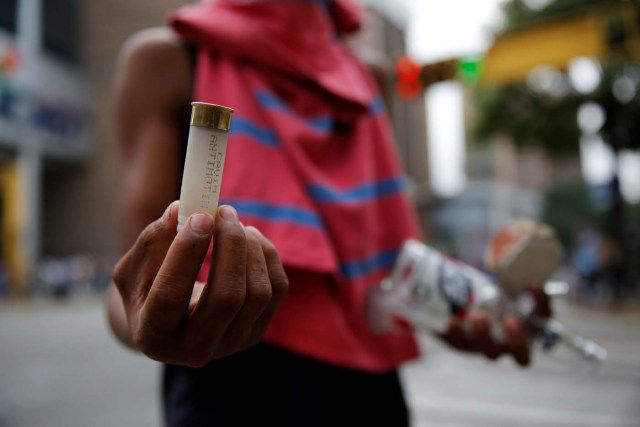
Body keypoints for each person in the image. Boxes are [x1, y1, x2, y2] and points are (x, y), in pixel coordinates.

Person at [106, 1, 550, 425]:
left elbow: (385, 267)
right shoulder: (169, 59)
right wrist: (153, 319)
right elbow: (129, 283)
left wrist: (466, 313)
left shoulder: (368, 80)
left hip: (368, 399)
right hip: (228, 394)